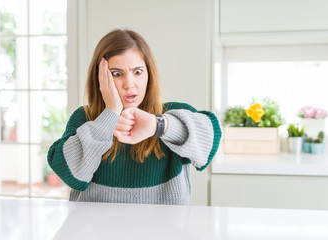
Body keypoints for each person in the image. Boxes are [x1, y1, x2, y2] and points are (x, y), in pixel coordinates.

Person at [47, 29, 221, 205]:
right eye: (116, 73)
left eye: (137, 72)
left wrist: (157, 125)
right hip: (99, 232)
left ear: (148, 74)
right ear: (100, 78)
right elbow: (71, 176)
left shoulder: (172, 114)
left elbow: (209, 143)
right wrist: (111, 112)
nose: (129, 84)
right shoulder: (84, 118)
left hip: (165, 232)